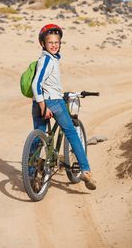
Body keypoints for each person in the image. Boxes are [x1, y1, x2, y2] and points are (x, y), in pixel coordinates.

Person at [31, 23, 96, 190]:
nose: (54, 45)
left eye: (57, 42)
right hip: (51, 102)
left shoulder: (49, 59)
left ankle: (32, 173)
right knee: (72, 133)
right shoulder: (47, 60)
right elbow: (36, 84)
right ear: (43, 44)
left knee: (39, 138)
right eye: (50, 42)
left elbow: (47, 84)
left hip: (40, 102)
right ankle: (86, 170)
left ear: (60, 44)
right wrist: (44, 105)